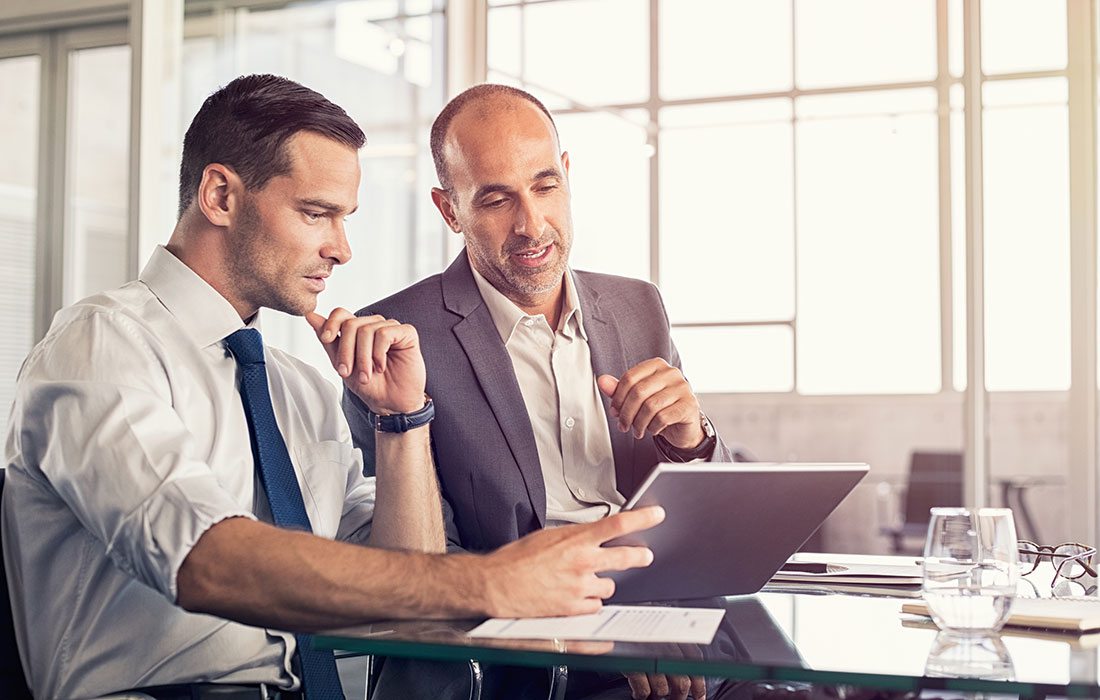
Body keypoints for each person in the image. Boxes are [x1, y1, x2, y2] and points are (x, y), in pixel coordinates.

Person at [0, 74, 662, 700]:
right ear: (221, 197)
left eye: (345, 218)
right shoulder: (103, 346)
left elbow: (409, 597)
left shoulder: (298, 390)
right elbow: (206, 561)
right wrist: (493, 582)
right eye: (318, 214)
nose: (343, 249)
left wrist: (402, 422)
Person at [343, 84, 737, 700]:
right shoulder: (396, 342)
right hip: (520, 661)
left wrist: (693, 439)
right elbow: (414, 573)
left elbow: (715, 522)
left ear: (568, 176)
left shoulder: (639, 307)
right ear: (450, 211)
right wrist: (595, 627)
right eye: (497, 200)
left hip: (663, 626)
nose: (531, 224)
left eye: (545, 186)